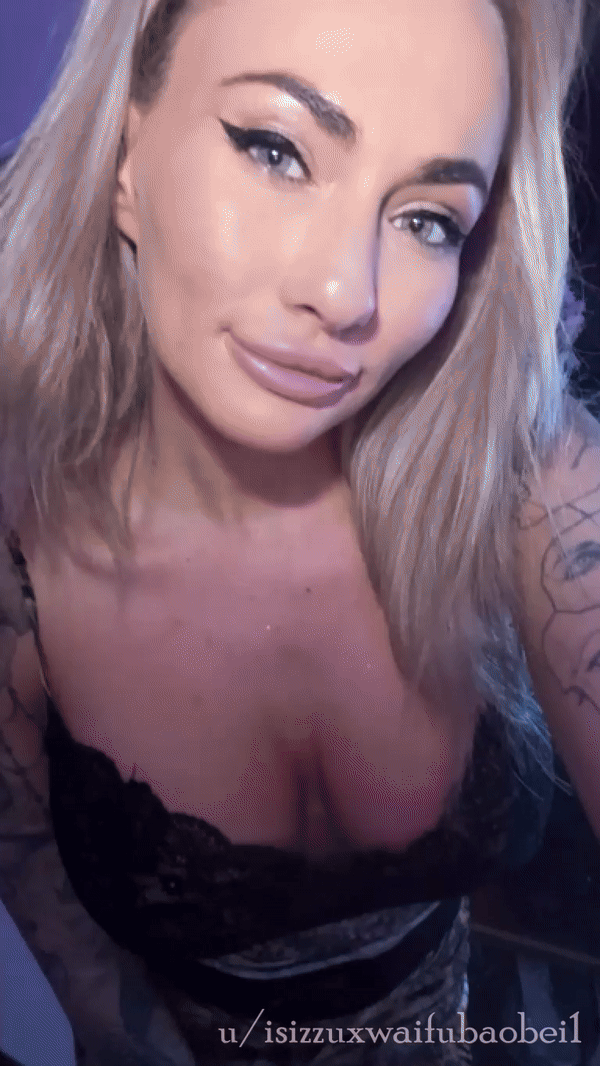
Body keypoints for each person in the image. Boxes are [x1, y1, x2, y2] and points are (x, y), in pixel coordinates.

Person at [0, 0, 599, 1062]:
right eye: (276, 150)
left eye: (428, 220)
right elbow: (94, 993)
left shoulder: (519, 475)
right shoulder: (17, 546)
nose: (345, 295)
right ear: (125, 155)